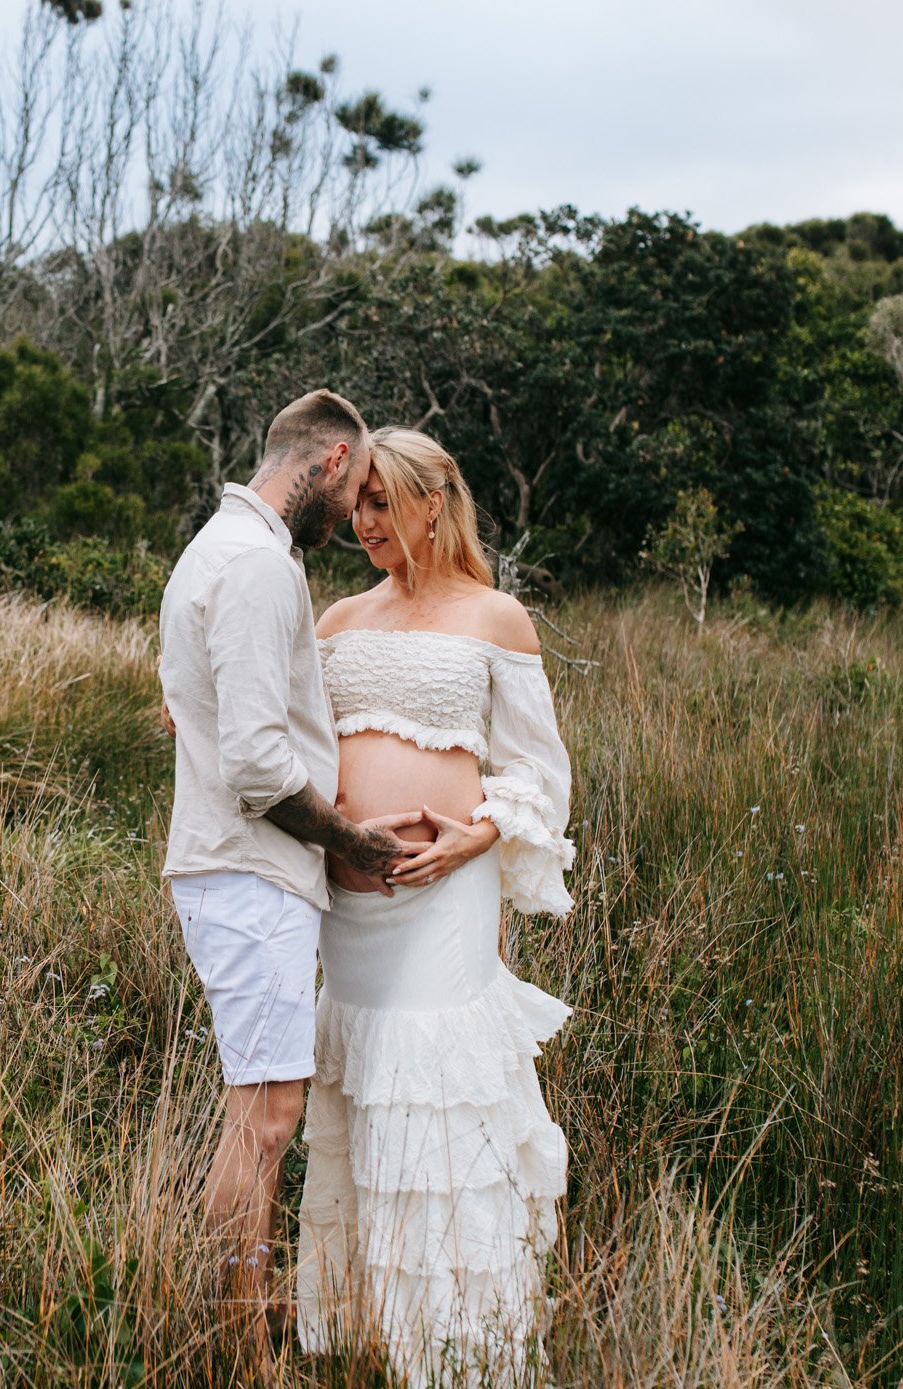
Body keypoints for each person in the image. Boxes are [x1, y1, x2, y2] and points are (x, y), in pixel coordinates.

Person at [295, 426, 578, 1386]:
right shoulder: (334, 618)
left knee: (441, 1096)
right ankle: (374, 1332)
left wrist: (479, 834)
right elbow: (282, 732)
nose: (363, 522)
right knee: (369, 1096)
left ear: (432, 500)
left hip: (445, 900)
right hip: (351, 907)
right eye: (357, 504)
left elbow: (539, 767)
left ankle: (465, 1348)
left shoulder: (498, 618)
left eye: (381, 503)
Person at [157, 389, 420, 1322]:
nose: (353, 521)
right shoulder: (260, 565)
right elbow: (261, 766)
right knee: (268, 1116)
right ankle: (236, 1321)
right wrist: (354, 842)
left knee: (257, 1109)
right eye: (353, 498)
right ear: (333, 459)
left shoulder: (218, 549)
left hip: (235, 871)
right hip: (248, 873)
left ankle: (229, 1304)